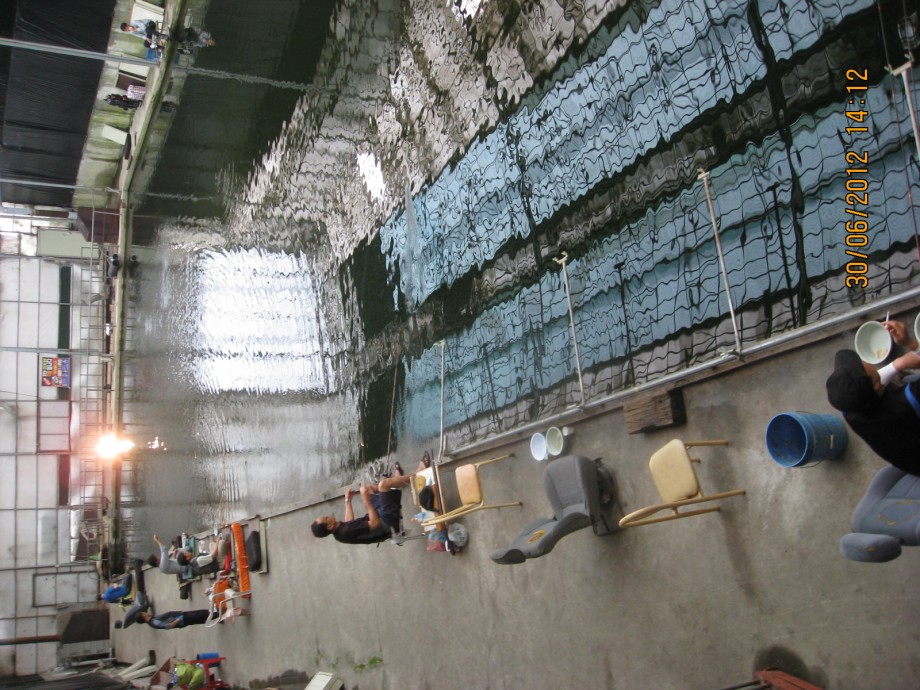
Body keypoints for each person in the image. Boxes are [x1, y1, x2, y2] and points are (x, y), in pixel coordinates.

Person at [826, 318, 920, 476]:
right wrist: (912, 345)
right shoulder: (907, 401)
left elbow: (874, 384)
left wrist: (898, 364)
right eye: (862, 366)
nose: (862, 362)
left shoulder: (850, 409)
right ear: (876, 386)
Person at [311, 457, 430, 544]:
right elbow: (374, 524)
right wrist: (366, 501)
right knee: (383, 485)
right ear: (329, 526)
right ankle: (419, 474)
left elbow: (349, 522)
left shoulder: (339, 531)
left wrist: (348, 501)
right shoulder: (344, 532)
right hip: (388, 523)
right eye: (326, 518)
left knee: (367, 489)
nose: (328, 516)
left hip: (380, 516)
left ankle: (397, 480)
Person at [137, 609, 214, 629]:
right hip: (182, 619)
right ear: (143, 616)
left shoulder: (152, 619)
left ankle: (216, 617)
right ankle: (217, 614)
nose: (145, 612)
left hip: (181, 617)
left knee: (201, 617)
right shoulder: (154, 622)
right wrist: (178, 620)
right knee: (201, 615)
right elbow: (168, 626)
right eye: (144, 612)